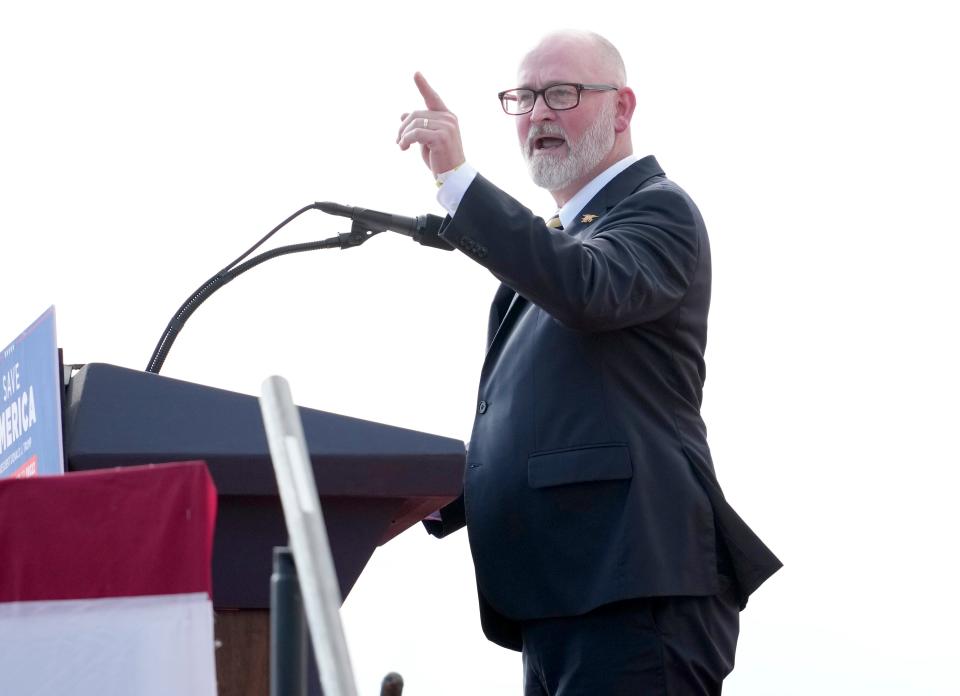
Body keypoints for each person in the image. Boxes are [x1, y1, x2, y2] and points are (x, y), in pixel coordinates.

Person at [397, 30, 781, 695]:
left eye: (561, 93)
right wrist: (421, 488)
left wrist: (460, 186)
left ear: (622, 110)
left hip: (632, 590)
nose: (539, 113)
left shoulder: (657, 212)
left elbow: (585, 288)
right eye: (524, 98)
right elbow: (557, 419)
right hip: (560, 597)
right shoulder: (556, 246)